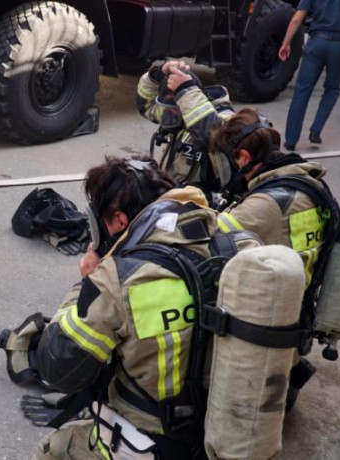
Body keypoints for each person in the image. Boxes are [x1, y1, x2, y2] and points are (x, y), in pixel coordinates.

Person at [26, 155, 220, 459]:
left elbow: (59, 368)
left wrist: (88, 283)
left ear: (119, 221)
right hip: (221, 425)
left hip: (155, 439)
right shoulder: (230, 236)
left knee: (53, 449)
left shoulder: (121, 278)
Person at [210, 108, 338, 410]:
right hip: (298, 314)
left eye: (225, 163)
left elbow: (204, 243)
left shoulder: (265, 207)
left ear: (242, 158)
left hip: (265, 331)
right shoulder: (310, 183)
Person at [136, 60, 236, 207]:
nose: (170, 113)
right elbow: (146, 106)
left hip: (207, 205)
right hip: (176, 197)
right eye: (168, 108)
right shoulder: (173, 111)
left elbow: (218, 137)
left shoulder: (225, 118)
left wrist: (185, 91)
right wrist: (158, 75)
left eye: (175, 109)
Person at [278, 0, 340, 151]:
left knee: (302, 90)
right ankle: (316, 130)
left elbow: (297, 18)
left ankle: (290, 140)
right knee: (332, 89)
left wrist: (286, 43)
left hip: (317, 43)